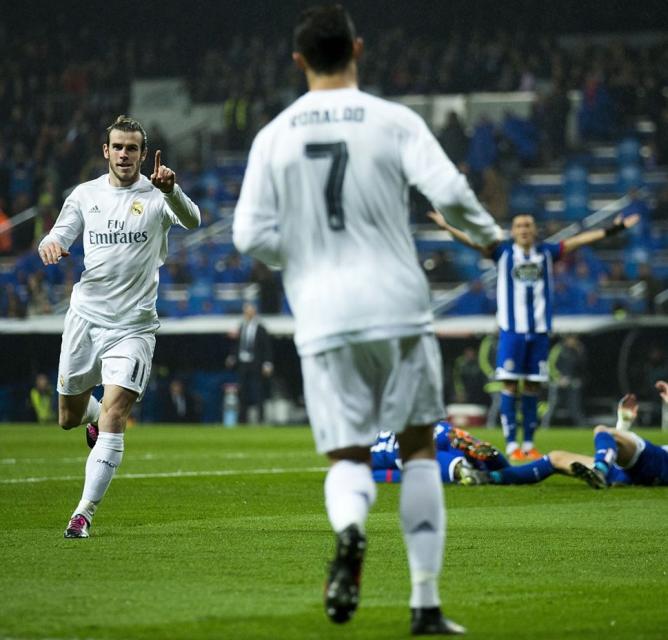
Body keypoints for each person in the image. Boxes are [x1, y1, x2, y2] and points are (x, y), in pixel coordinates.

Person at [233, 5, 502, 635]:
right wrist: (492, 239)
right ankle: (425, 603)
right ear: (357, 48)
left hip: (324, 314)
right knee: (417, 450)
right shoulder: (393, 120)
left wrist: (302, 258)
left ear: (299, 60)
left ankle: (351, 530)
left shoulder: (273, 135)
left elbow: (248, 236)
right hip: (398, 307)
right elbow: (451, 192)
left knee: (350, 458)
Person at [38, 115, 201, 539]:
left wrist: (172, 190)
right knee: (68, 417)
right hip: (85, 319)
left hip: (133, 327)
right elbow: (56, 235)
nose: (125, 154)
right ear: (106, 151)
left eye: (132, 148)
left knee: (116, 413)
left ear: (143, 155)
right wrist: (50, 245)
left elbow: (194, 220)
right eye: (118, 147)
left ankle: (83, 513)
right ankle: (90, 416)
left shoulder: (157, 195)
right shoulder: (85, 194)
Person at [429, 209, 639, 461]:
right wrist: (447, 227)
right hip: (512, 332)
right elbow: (473, 242)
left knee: (532, 387)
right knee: (509, 385)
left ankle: (528, 445)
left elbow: (579, 240)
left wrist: (614, 229)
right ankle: (511, 445)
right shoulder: (503, 252)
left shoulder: (546, 252)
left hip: (538, 332)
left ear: (534, 230)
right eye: (519, 226)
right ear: (513, 231)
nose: (524, 229)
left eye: (528, 225)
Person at [571, 388, 668, 489]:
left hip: (657, 460)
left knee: (602, 430)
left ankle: (600, 470)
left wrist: (623, 425)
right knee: (559, 458)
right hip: (643, 471)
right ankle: (609, 472)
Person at [226, 302, 274, 424]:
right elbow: (237, 345)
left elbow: (266, 347)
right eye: (246, 312)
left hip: (255, 363)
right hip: (243, 363)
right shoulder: (241, 327)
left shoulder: (261, 329)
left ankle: (260, 418)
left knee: (258, 390)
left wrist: (267, 363)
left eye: (250, 311)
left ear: (254, 313)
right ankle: (242, 418)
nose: (248, 314)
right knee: (242, 391)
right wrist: (232, 357)